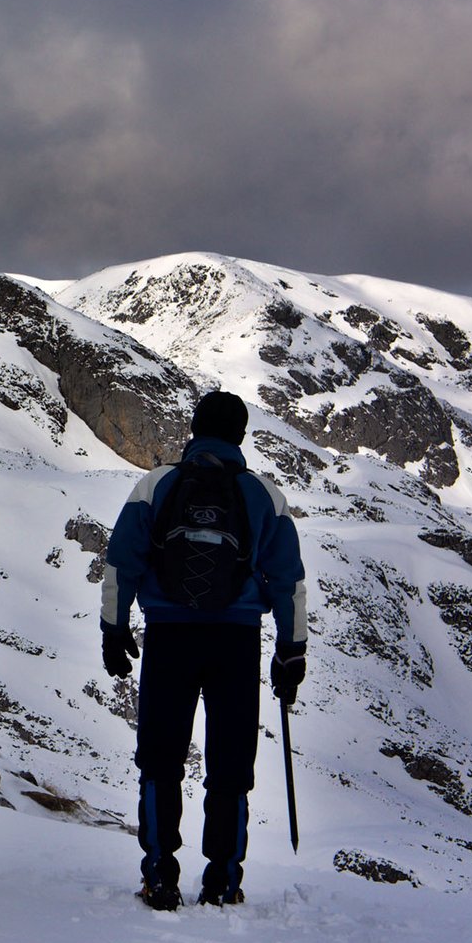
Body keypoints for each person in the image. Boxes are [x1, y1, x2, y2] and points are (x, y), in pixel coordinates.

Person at [99, 390, 307, 910]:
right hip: (235, 640)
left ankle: (159, 874)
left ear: (193, 429)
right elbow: (288, 581)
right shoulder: (263, 495)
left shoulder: (157, 484)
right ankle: (222, 880)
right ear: (240, 435)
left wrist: (114, 628)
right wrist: (292, 650)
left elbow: (120, 562)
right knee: (230, 761)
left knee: (161, 758)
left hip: (169, 635)